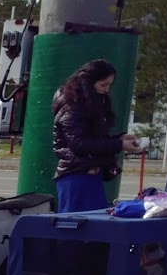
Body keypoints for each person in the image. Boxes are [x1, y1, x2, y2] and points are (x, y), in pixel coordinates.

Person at [52, 59, 144, 213]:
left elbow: (91, 139)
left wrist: (118, 140)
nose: (107, 89)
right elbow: (79, 144)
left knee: (94, 226)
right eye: (103, 85)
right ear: (88, 83)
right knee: (76, 228)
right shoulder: (73, 107)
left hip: (90, 175)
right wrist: (119, 145)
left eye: (109, 85)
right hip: (76, 176)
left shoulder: (90, 104)